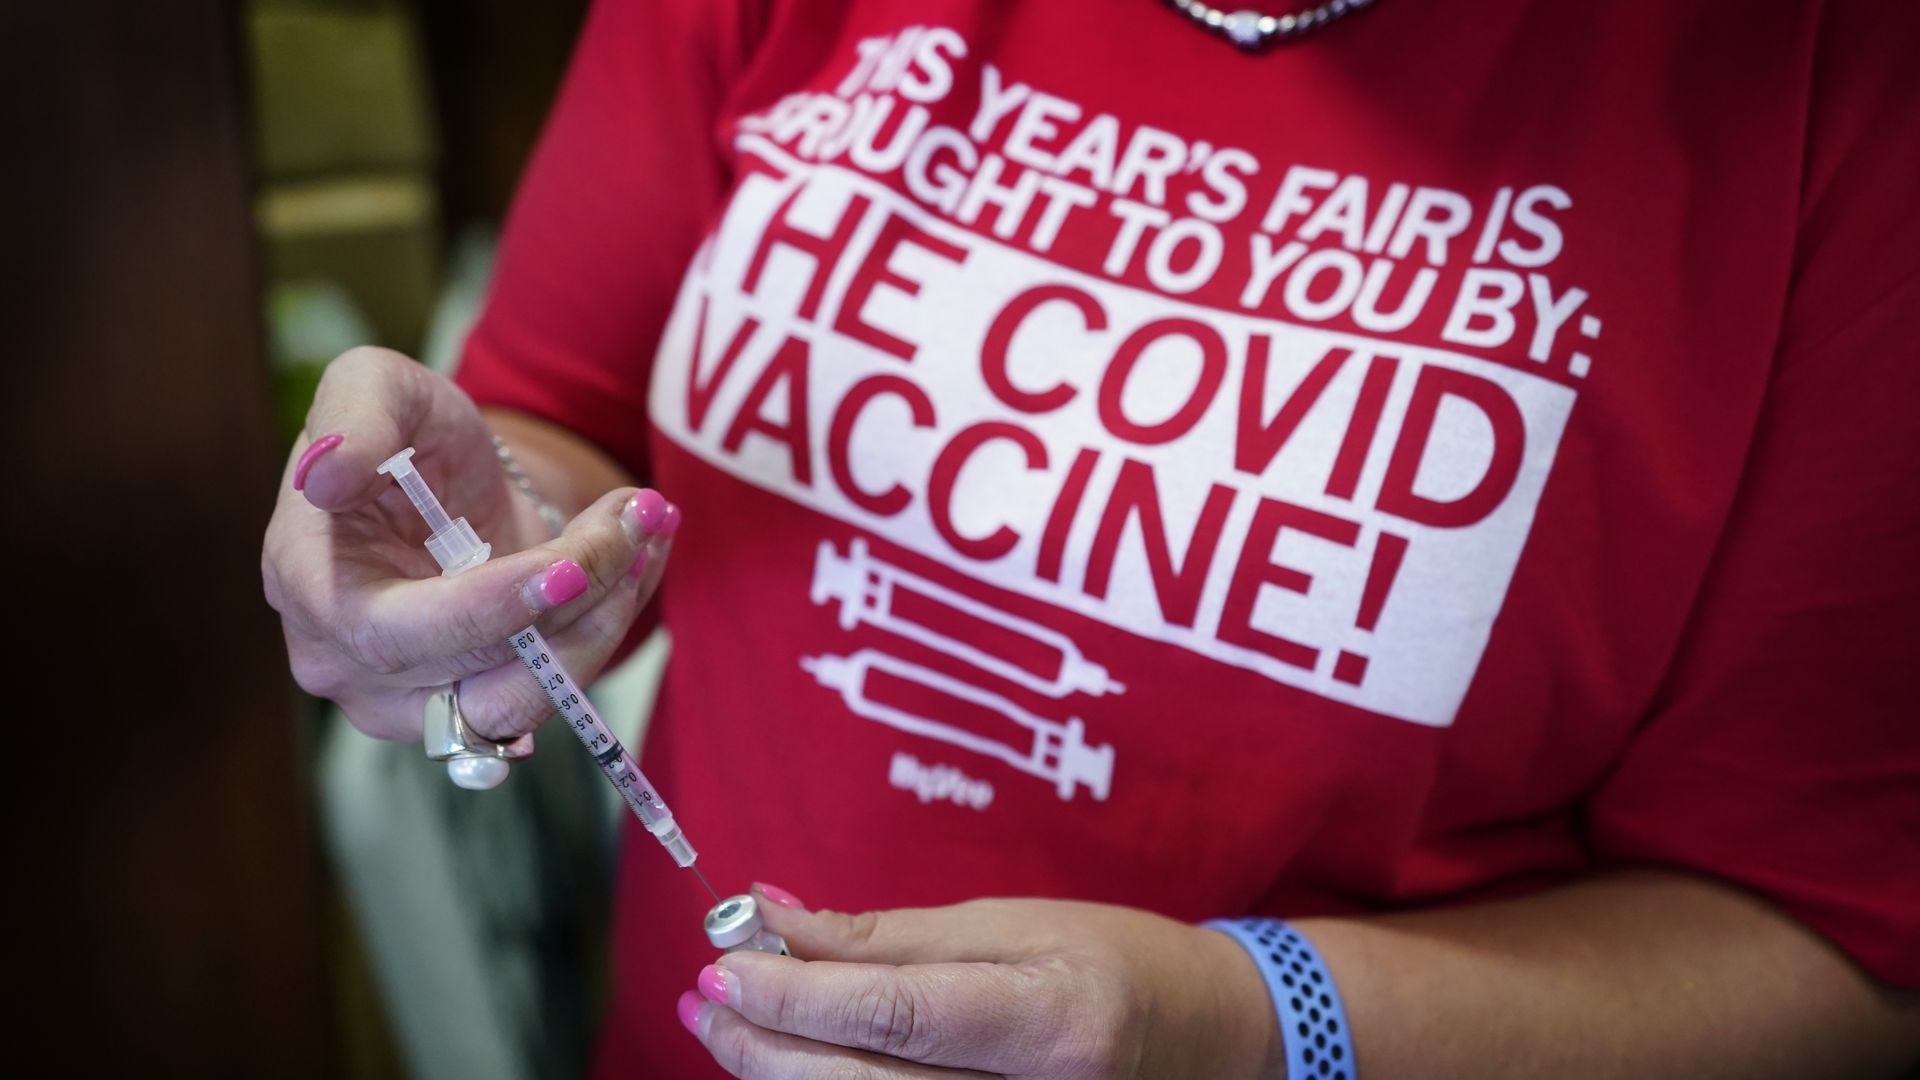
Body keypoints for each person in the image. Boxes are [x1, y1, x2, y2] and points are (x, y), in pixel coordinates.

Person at [263, 1, 1920, 1075]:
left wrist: (1252, 1028)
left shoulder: (1829, 95)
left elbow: (1833, 952)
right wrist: (494, 566)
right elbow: (564, 411)